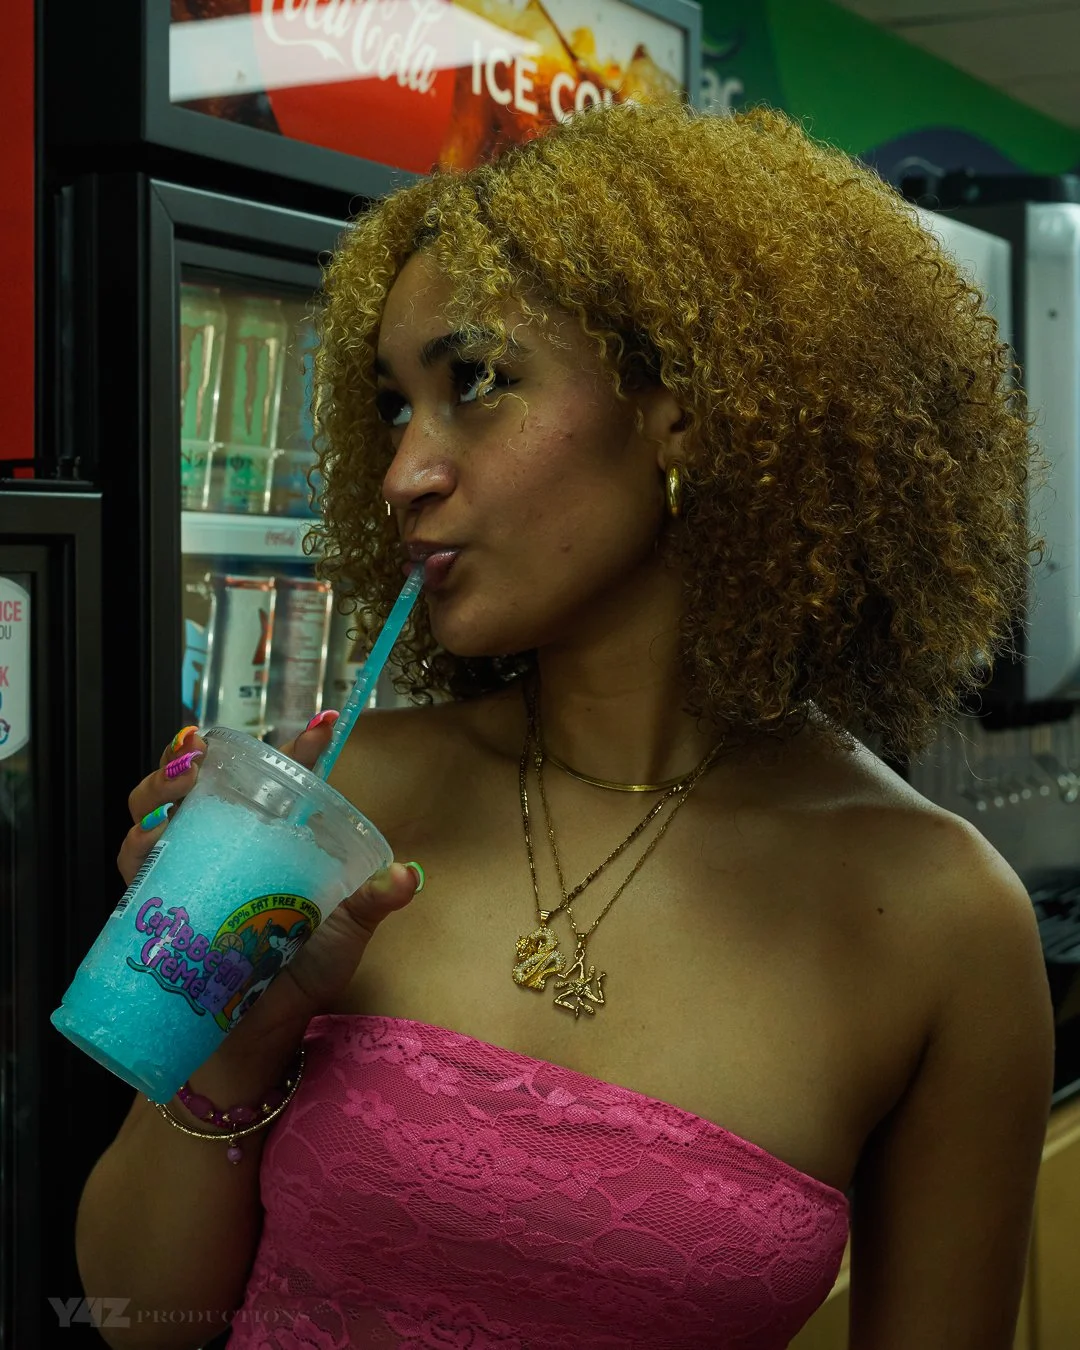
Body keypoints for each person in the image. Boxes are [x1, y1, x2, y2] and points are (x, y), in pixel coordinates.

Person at [77, 99, 1055, 1350]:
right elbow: (135, 1317)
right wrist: (230, 1050)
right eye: (394, 406)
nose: (404, 473)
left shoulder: (942, 920)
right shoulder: (339, 813)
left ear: (684, 406)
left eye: (477, 383)